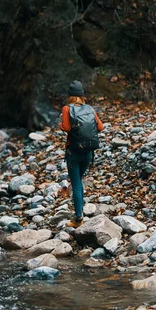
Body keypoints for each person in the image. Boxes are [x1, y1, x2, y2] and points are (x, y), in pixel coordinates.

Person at [60, 80, 104, 228]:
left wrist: (62, 124)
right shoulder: (90, 108)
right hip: (88, 152)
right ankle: (78, 209)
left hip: (74, 152)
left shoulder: (67, 109)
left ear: (70, 95)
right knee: (77, 182)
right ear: (82, 95)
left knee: (77, 185)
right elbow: (100, 127)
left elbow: (66, 127)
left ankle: (78, 219)